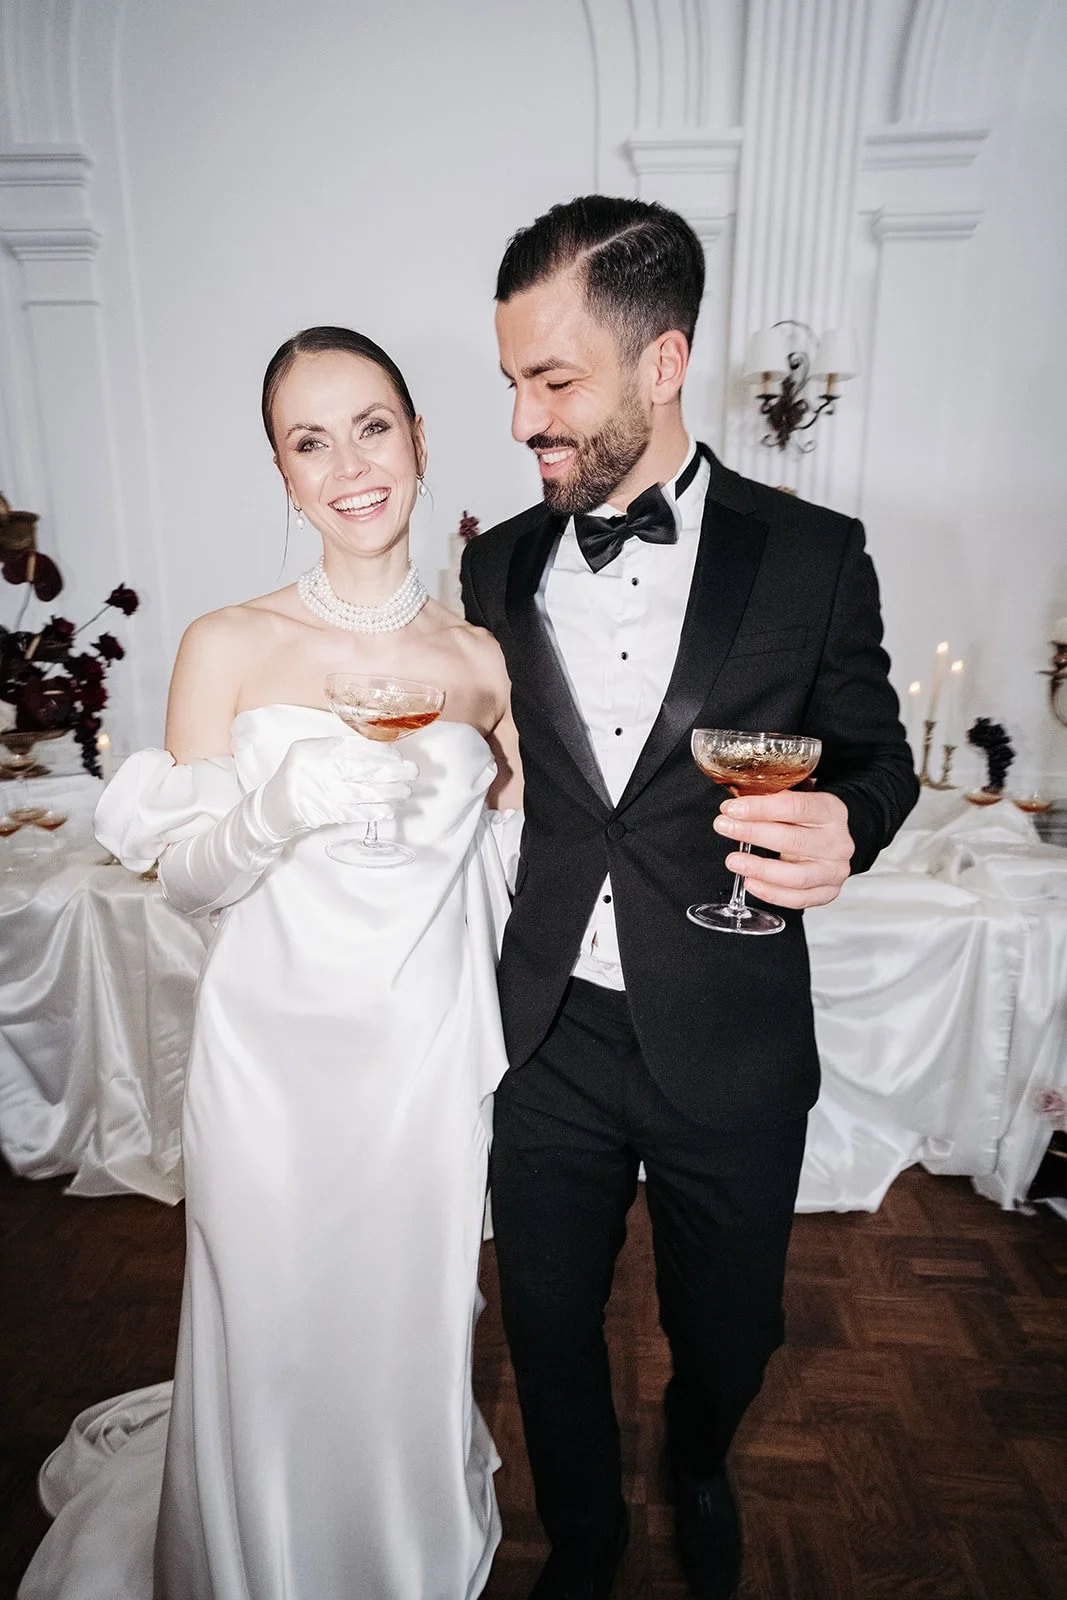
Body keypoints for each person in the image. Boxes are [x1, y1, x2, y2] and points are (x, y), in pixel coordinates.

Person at [461, 196, 919, 1600]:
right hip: (545, 1029)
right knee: (544, 1323)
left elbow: (877, 760)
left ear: (661, 363)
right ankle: (584, 1536)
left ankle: (701, 1457)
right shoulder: (492, 563)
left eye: (554, 382)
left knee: (729, 1330)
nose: (524, 420)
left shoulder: (811, 555)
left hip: (728, 1020)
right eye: (512, 383)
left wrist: (847, 823)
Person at [20, 326, 520, 1600]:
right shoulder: (227, 644)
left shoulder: (480, 662)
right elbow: (188, 882)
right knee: (275, 1335)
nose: (349, 465)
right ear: (285, 477)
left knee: (405, 1332)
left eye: (371, 427)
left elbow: (512, 870)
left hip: (420, 1069)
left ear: (418, 441)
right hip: (270, 1070)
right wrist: (273, 810)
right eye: (310, 441)